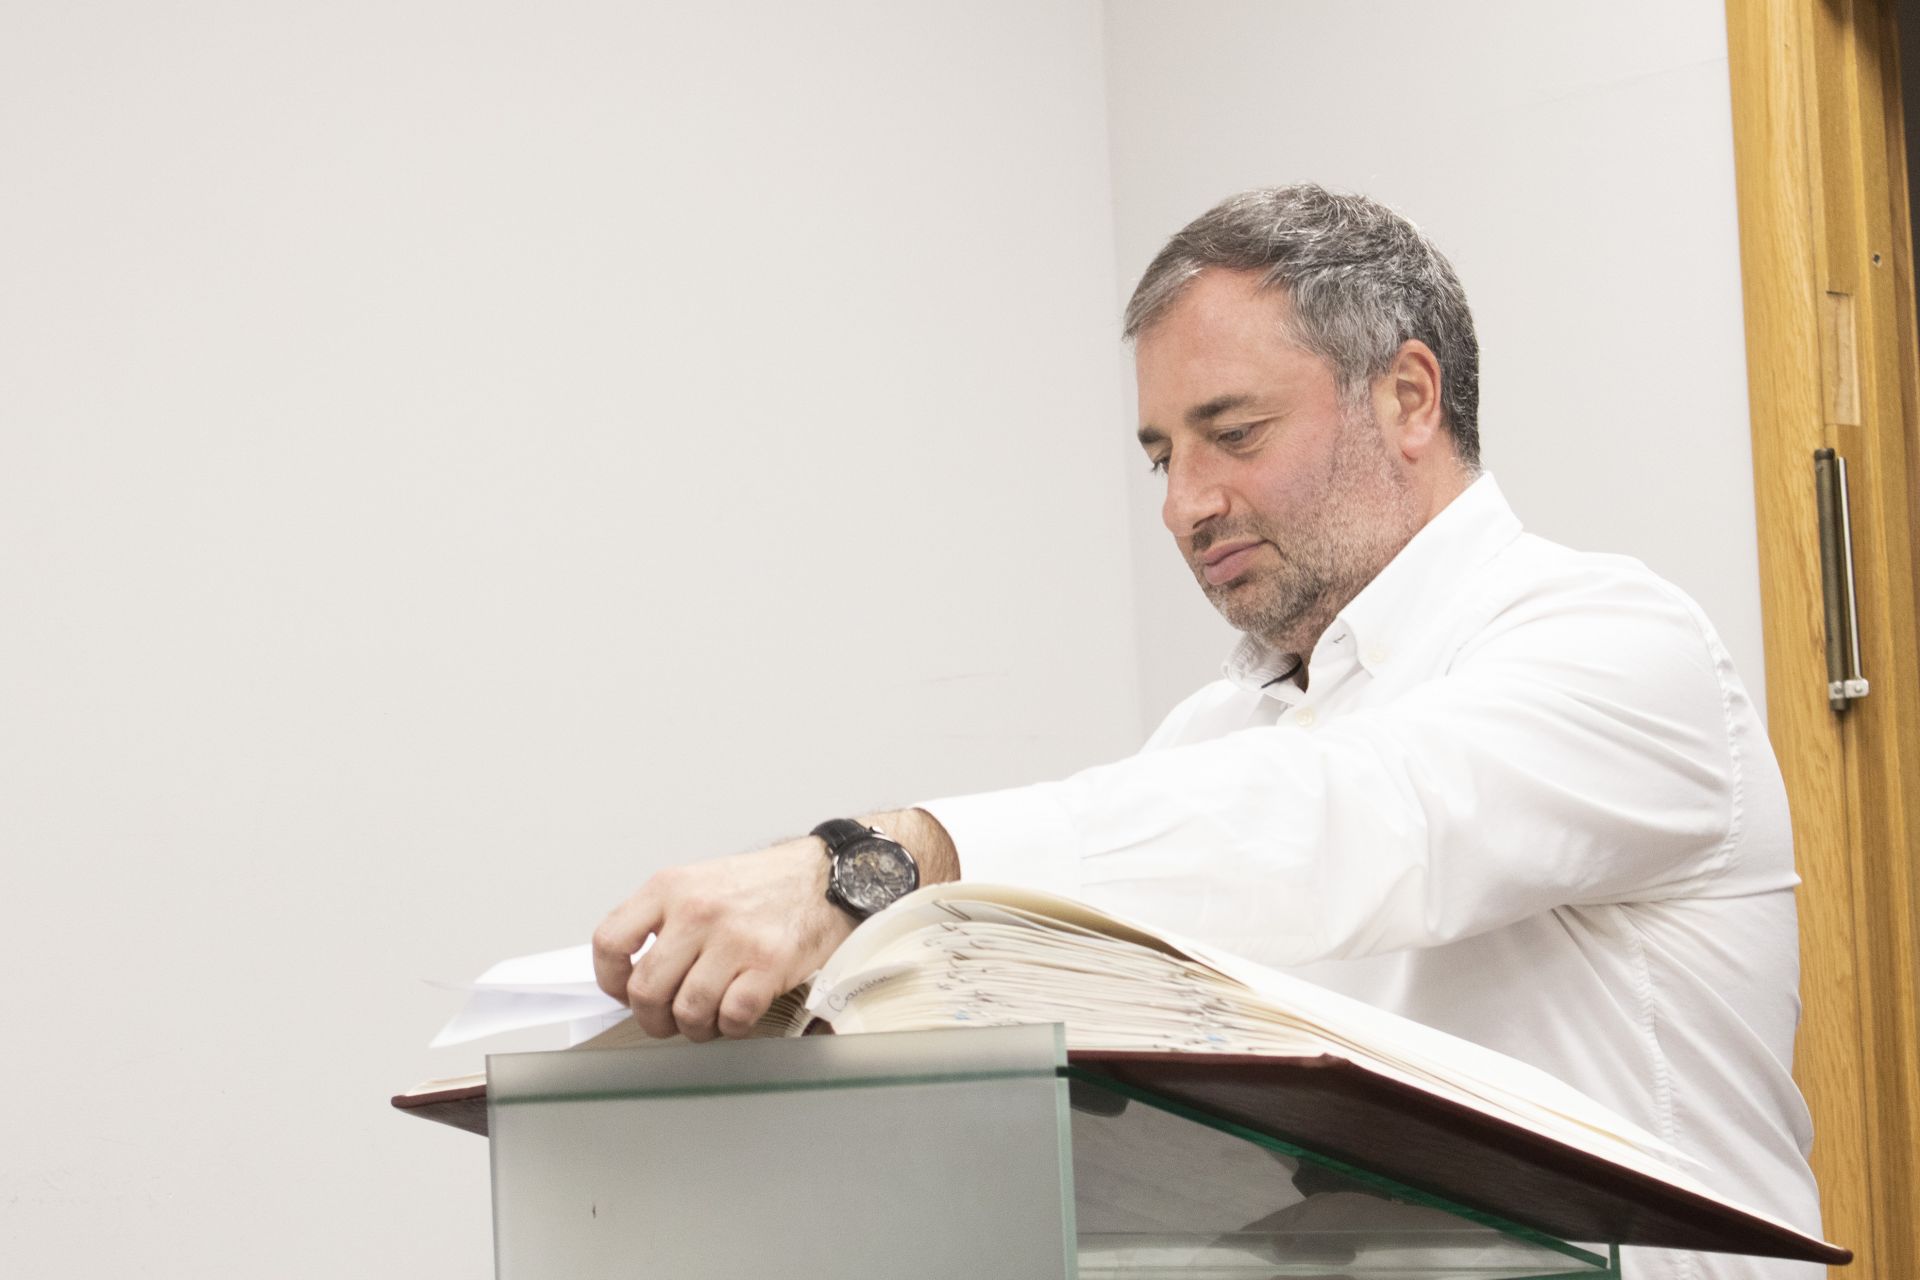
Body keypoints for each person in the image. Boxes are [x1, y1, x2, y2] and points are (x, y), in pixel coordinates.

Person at [591, 186, 1822, 1278]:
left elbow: (1355, 825)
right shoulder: (1216, 729)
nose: (1186, 504)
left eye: (1233, 435)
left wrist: (886, 861)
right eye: (1160, 458)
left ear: (1408, 396)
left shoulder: (1618, 642)